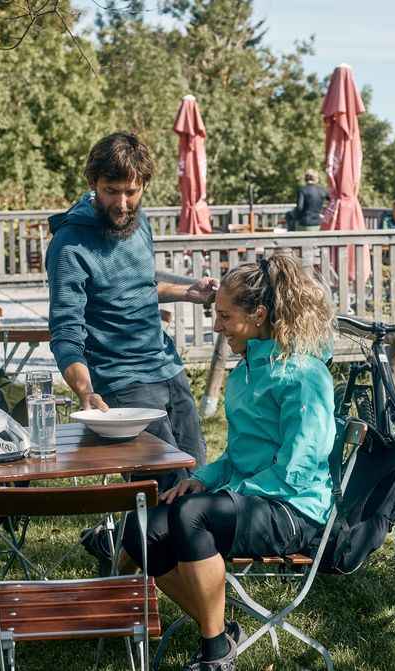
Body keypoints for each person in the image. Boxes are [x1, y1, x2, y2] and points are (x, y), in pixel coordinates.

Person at [119, 250, 337, 671]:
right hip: (254, 501)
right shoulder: (246, 373)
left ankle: (214, 655)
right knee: (142, 527)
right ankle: (219, 632)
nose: (216, 325)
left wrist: (223, 492)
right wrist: (203, 479)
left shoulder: (304, 374)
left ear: (258, 315)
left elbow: (297, 470)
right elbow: (238, 456)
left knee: (191, 516)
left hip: (296, 510)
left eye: (224, 316)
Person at [46, 131, 219, 495]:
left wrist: (187, 292)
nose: (122, 203)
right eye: (111, 190)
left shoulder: (140, 223)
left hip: (166, 366)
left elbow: (139, 285)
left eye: (132, 191)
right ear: (92, 183)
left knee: (195, 472)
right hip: (120, 380)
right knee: (163, 483)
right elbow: (65, 332)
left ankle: (132, 546)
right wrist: (85, 391)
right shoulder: (69, 246)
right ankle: (149, 550)